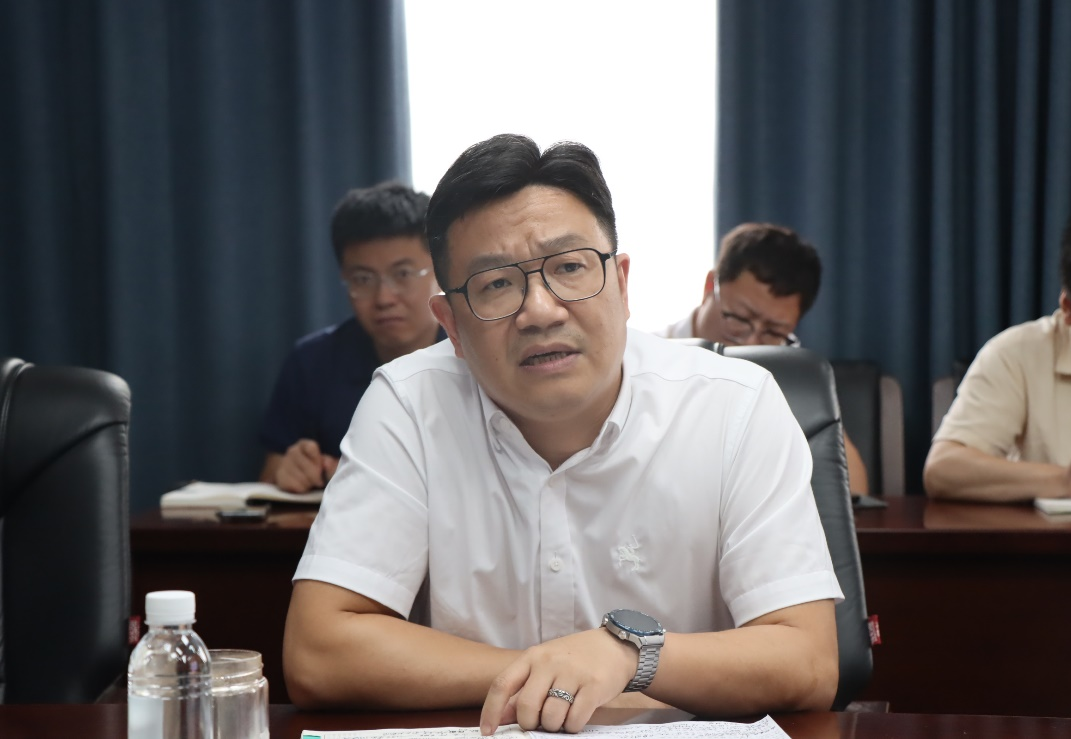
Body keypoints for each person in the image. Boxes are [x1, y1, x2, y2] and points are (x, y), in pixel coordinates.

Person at [283, 134, 842, 733]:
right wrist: (556, 674)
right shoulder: (409, 402)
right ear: (450, 324)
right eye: (496, 283)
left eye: (570, 268)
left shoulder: (735, 404)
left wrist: (629, 658)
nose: (541, 311)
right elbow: (319, 653)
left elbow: (808, 661)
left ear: (621, 284)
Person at [658, 223, 870, 494]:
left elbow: (853, 488)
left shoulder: (788, 371)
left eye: (773, 331)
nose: (751, 343)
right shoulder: (646, 359)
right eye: (739, 319)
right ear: (710, 285)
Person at [259, 183, 443, 493]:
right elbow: (269, 474)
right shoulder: (312, 363)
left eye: (402, 274)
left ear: (440, 269)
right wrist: (291, 470)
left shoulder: (478, 356)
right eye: (363, 279)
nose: (384, 298)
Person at [924, 202, 1071, 502]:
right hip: (1051, 533)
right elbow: (943, 469)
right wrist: (1065, 480)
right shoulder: (1016, 355)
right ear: (1068, 309)